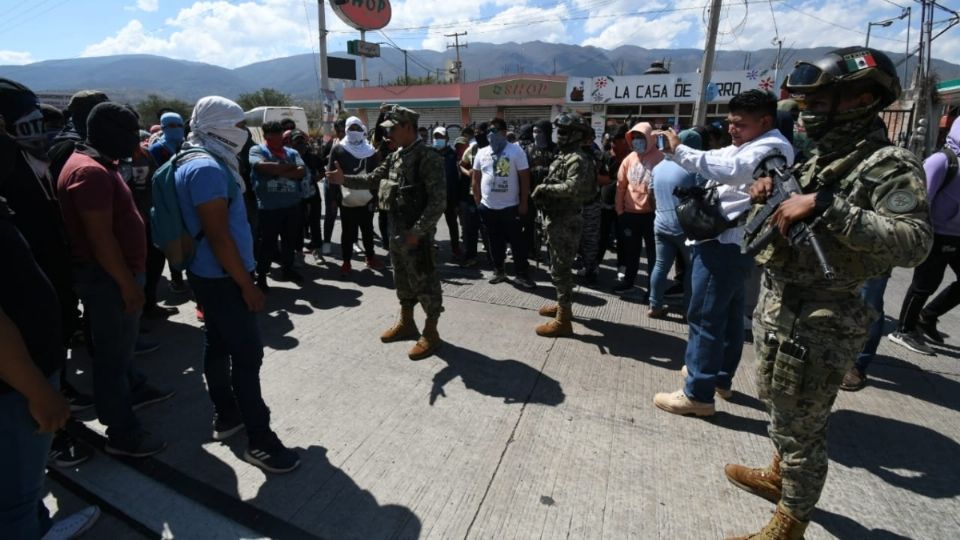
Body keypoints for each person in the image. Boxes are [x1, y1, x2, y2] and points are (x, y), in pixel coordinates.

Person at [725, 47, 932, 539]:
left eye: (818, 105)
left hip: (825, 315)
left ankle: (791, 521)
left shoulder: (889, 164)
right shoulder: (825, 156)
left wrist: (825, 206)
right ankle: (780, 476)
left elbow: (915, 242)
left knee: (804, 424)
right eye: (805, 105)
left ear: (861, 99)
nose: (806, 115)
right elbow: (787, 201)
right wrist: (766, 192)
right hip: (782, 303)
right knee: (777, 404)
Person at [175, 96, 300, 473]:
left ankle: (226, 415)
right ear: (220, 126)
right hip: (224, 277)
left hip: (207, 274)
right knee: (247, 357)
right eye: (239, 125)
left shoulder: (190, 157)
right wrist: (248, 285)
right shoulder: (208, 169)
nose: (244, 132)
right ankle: (260, 441)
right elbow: (219, 236)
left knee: (217, 344)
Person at [652, 89, 794, 417]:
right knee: (728, 315)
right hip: (727, 241)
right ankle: (717, 377)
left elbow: (730, 168)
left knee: (703, 315)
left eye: (740, 125)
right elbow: (724, 160)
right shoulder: (751, 144)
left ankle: (697, 393)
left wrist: (680, 150)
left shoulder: (771, 147)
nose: (732, 130)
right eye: (730, 123)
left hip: (725, 243)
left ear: (766, 121)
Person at [58, 102, 173, 457]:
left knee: (120, 352)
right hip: (109, 280)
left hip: (116, 276)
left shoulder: (97, 165)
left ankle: (132, 390)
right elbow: (100, 238)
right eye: (128, 132)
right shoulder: (89, 172)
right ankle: (123, 432)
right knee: (110, 358)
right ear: (110, 133)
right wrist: (126, 284)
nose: (135, 141)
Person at [0, 195, 102, 540]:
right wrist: (39, 391)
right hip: (16, 387)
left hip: (23, 376)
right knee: (14, 503)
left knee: (22, 483)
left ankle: (41, 527)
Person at [327, 104, 446, 360]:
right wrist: (343, 179)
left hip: (417, 237)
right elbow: (373, 179)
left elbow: (438, 202)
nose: (388, 134)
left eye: (392, 128)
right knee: (402, 281)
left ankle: (431, 332)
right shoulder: (396, 155)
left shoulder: (428, 158)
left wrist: (417, 231)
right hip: (395, 233)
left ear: (407, 127)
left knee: (426, 284)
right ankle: (407, 323)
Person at [886, 115, 960, 357]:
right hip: (936, 232)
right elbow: (920, 197)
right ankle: (904, 329)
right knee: (926, 283)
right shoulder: (942, 161)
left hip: (958, 235)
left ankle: (927, 317)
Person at [530, 113, 596, 337]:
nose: (560, 135)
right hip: (555, 218)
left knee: (561, 270)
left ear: (577, 135)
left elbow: (572, 188)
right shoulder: (564, 156)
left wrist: (544, 189)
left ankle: (563, 320)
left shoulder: (577, 158)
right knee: (557, 268)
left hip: (566, 220)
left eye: (565, 132)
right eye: (559, 131)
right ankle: (562, 304)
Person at [472, 117, 534, 288]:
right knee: (494, 241)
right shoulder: (482, 152)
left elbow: (525, 178)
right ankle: (499, 271)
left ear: (505, 132)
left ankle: (522, 274)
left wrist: (523, 203)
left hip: (510, 207)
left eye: (496, 130)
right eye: (489, 131)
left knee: (517, 242)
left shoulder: (516, 151)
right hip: (488, 207)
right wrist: (479, 202)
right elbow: (475, 178)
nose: (492, 134)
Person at [647, 129, 699, 318]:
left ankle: (655, 305)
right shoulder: (692, 169)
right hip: (686, 228)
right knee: (692, 270)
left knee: (660, 266)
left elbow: (650, 195)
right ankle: (688, 309)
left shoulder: (659, 166)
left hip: (661, 223)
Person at [250, 121, 307, 290]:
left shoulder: (291, 152)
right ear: (266, 135)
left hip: (291, 205)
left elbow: (301, 171)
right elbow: (262, 168)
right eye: (272, 135)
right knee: (268, 243)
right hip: (269, 207)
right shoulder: (257, 150)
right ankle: (261, 276)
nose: (277, 138)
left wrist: (277, 169)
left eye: (279, 134)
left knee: (289, 242)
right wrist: (289, 170)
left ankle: (288, 270)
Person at [327, 117, 382, 276]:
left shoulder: (370, 150)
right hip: (346, 198)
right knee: (348, 231)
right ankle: (346, 261)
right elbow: (332, 175)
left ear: (363, 130)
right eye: (351, 129)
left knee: (367, 229)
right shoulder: (338, 149)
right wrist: (332, 199)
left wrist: (376, 197)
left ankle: (370, 258)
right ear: (346, 129)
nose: (355, 132)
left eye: (358, 129)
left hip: (367, 198)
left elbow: (375, 176)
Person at [614, 122, 659, 295]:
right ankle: (628, 281)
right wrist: (620, 211)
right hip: (630, 215)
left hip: (652, 216)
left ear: (650, 137)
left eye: (640, 137)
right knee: (631, 252)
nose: (636, 141)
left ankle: (652, 289)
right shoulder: (629, 159)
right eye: (634, 138)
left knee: (653, 255)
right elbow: (621, 186)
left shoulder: (660, 158)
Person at [524, 120, 559, 264]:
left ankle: (552, 257)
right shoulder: (528, 149)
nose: (536, 135)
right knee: (530, 226)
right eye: (534, 131)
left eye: (539, 132)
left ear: (547, 133)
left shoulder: (556, 149)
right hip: (531, 194)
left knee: (551, 229)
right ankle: (532, 252)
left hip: (551, 196)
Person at [435, 126, 462, 258]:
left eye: (441, 137)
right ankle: (429, 246)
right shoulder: (430, 153)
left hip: (450, 197)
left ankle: (455, 248)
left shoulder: (453, 154)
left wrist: (457, 199)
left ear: (447, 138)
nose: (438, 139)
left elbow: (457, 178)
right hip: (434, 197)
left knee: (452, 224)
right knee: (430, 224)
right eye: (436, 137)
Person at [321, 119, 346, 256]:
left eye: (344, 130)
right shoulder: (332, 142)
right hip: (331, 184)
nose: (341, 133)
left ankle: (352, 242)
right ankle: (326, 242)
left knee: (348, 215)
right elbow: (321, 159)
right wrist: (329, 156)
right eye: (339, 131)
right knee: (331, 214)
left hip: (347, 184)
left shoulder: (353, 143)